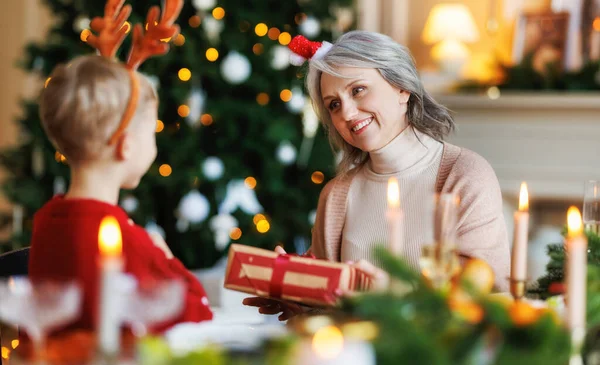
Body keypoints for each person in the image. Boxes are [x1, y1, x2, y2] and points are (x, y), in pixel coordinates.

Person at [244, 30, 510, 319]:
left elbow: (485, 300)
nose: (346, 112)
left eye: (358, 90)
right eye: (334, 104)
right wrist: (303, 303)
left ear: (402, 89)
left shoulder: (466, 175)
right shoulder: (336, 195)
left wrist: (391, 294)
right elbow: (332, 305)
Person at [29, 0, 212, 333]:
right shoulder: (126, 242)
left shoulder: (46, 222)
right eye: (152, 130)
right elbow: (197, 314)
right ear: (126, 146)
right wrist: (168, 259)